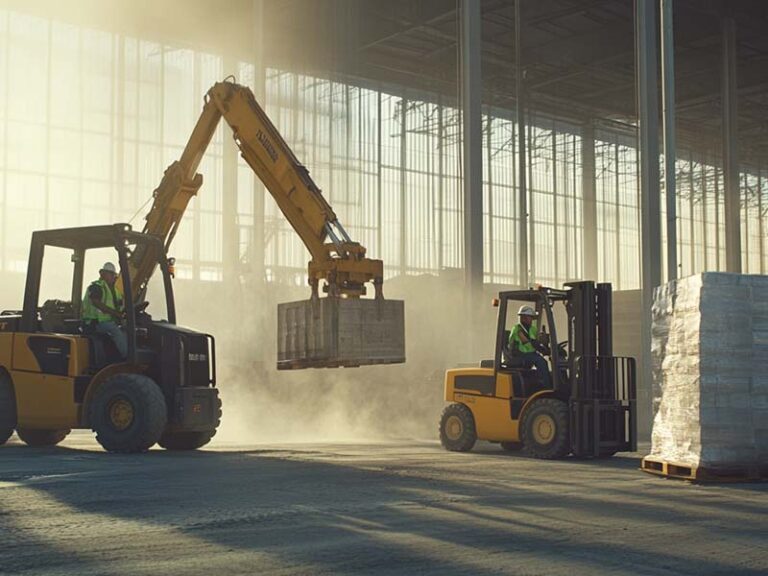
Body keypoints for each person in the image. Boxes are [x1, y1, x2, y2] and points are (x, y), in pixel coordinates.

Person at [81, 262, 127, 359]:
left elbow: (120, 306)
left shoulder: (115, 291)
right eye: (110, 274)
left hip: (106, 322)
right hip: (93, 324)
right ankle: (128, 357)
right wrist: (115, 313)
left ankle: (117, 356)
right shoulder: (97, 287)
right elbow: (96, 303)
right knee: (114, 329)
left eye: (113, 275)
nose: (113, 277)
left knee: (127, 329)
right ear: (103, 274)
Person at [508, 305, 551, 389]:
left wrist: (546, 346)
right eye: (530, 317)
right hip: (519, 355)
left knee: (541, 360)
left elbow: (536, 342)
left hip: (529, 354)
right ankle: (547, 387)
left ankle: (543, 382)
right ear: (523, 317)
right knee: (541, 361)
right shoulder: (517, 329)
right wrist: (541, 349)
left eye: (532, 317)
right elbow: (528, 341)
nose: (531, 319)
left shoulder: (532, 329)